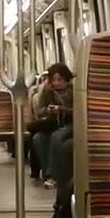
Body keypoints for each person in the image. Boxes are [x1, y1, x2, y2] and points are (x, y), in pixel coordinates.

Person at [30, 63, 73, 191]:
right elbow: (39, 112)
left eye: (59, 79)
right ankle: (47, 173)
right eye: (53, 80)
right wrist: (48, 110)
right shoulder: (48, 93)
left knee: (57, 137)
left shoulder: (74, 92)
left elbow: (79, 111)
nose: (56, 83)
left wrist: (62, 109)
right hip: (53, 124)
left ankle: (55, 175)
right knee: (38, 138)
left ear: (66, 79)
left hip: (71, 124)